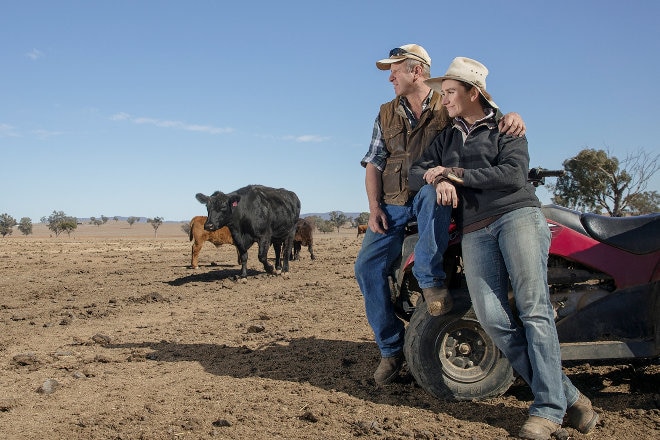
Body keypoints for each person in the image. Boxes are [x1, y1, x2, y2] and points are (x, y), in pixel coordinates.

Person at [408, 57, 599, 439]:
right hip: (475, 230)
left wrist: (456, 175)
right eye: (442, 93)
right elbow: (416, 171)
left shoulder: (506, 127)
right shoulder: (444, 138)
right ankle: (571, 396)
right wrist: (434, 177)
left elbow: (512, 174)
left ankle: (546, 409)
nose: (443, 100)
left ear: (472, 92)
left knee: (533, 309)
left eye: (449, 92)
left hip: (517, 217)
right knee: (493, 318)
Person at [354, 44, 526, 386]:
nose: (390, 77)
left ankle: (431, 281)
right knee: (366, 267)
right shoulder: (385, 112)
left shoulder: (447, 102)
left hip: (434, 196)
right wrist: (374, 209)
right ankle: (391, 350)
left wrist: (512, 117)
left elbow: (484, 118)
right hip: (393, 203)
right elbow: (374, 163)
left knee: (434, 191)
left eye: (395, 69)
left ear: (416, 71)